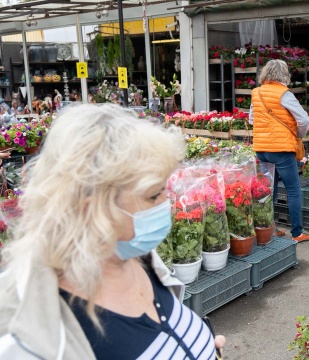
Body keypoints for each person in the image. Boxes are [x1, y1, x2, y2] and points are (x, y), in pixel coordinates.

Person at [0, 104, 225, 359]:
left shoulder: (138, 258)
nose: (167, 203)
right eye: (153, 195)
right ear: (92, 208)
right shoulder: (35, 337)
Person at [250, 59, 309, 242]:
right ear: (283, 74)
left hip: (262, 149)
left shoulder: (256, 93)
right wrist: (298, 135)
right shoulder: (284, 94)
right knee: (293, 190)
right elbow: (303, 120)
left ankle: (268, 230)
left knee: (269, 190)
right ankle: (297, 233)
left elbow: (251, 120)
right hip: (281, 150)